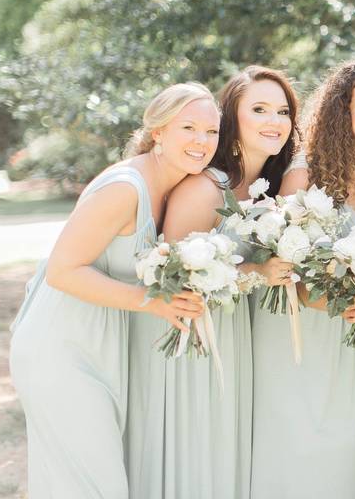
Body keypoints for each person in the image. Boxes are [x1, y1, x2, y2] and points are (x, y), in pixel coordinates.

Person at [10, 83, 215, 498]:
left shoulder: (172, 188)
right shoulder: (126, 188)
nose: (201, 141)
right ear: (158, 132)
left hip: (101, 351)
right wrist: (152, 302)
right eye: (189, 127)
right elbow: (63, 271)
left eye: (211, 132)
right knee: (93, 486)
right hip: (61, 350)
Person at [127, 66, 299, 498]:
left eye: (282, 111)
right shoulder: (204, 188)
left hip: (234, 337)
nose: (273, 120)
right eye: (259, 109)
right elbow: (174, 275)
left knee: (226, 453)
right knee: (193, 450)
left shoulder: (269, 190)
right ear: (231, 119)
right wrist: (256, 272)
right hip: (188, 340)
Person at [250, 58, 355, 499]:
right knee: (297, 443)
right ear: (343, 109)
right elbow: (277, 260)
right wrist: (319, 297)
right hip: (295, 329)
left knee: (341, 440)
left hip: (347, 332)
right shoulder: (306, 171)